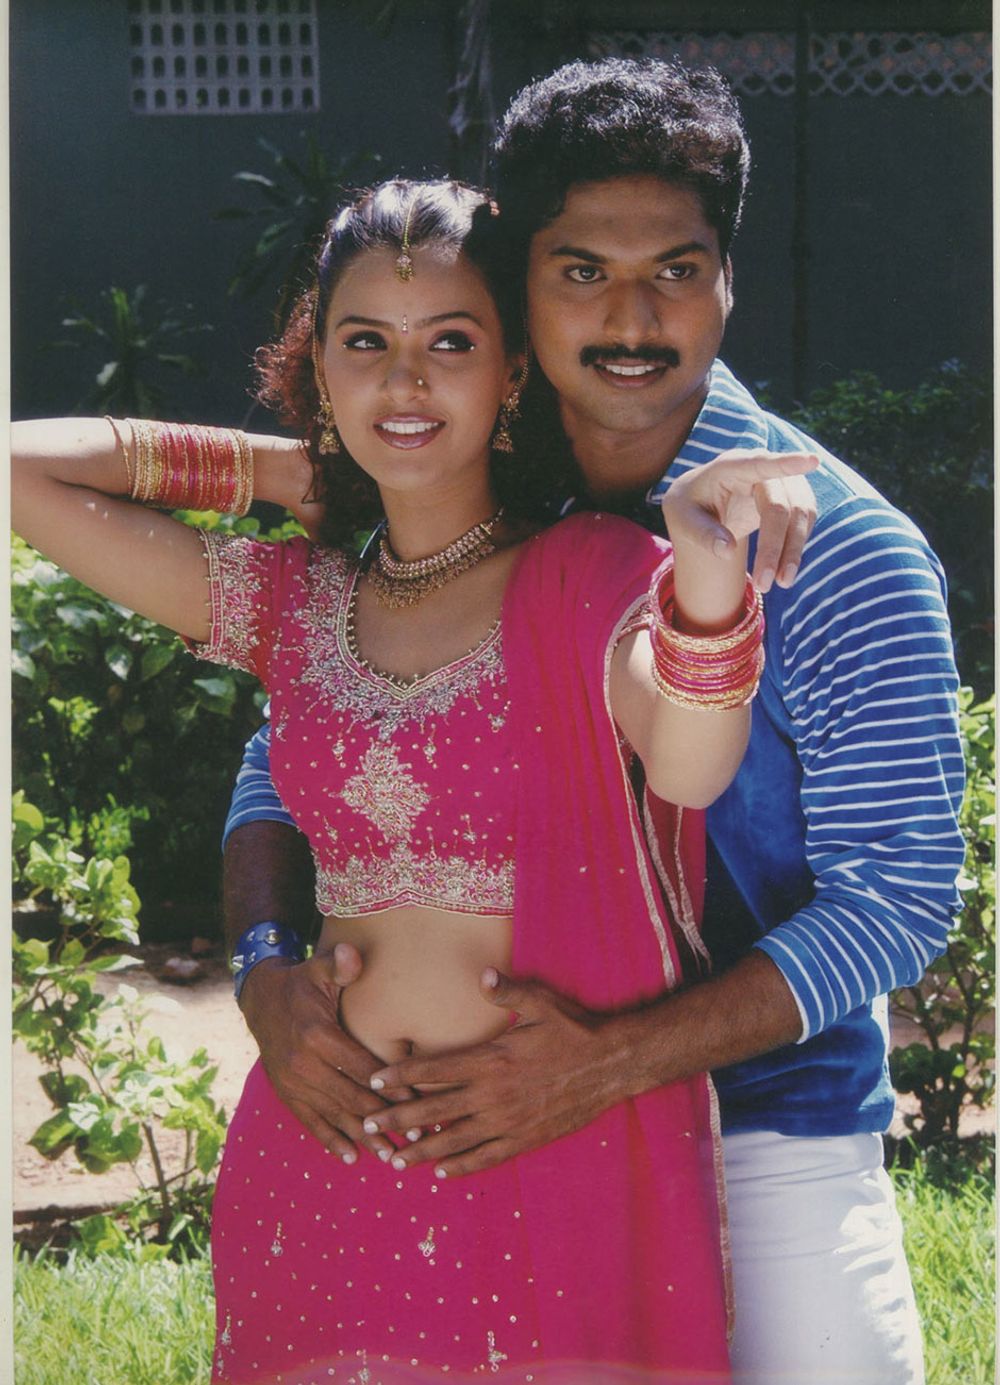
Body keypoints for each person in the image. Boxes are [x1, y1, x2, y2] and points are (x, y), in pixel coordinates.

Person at [224, 61, 966, 1385]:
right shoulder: (452, 496)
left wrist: (612, 1063)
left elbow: (899, 897)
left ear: (729, 281)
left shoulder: (846, 550)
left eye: (676, 270)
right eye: (580, 272)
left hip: (769, 1137)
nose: (632, 317)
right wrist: (266, 964)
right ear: (521, 288)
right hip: (481, 1122)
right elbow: (280, 765)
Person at [12, 178, 819, 1382]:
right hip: (323, 1156)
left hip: (538, 1150)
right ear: (317, 369)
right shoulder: (297, 604)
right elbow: (21, 469)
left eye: (449, 343)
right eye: (364, 345)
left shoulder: (588, 572)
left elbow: (691, 765)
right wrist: (291, 469)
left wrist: (705, 581)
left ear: (511, 374)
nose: (406, 381)